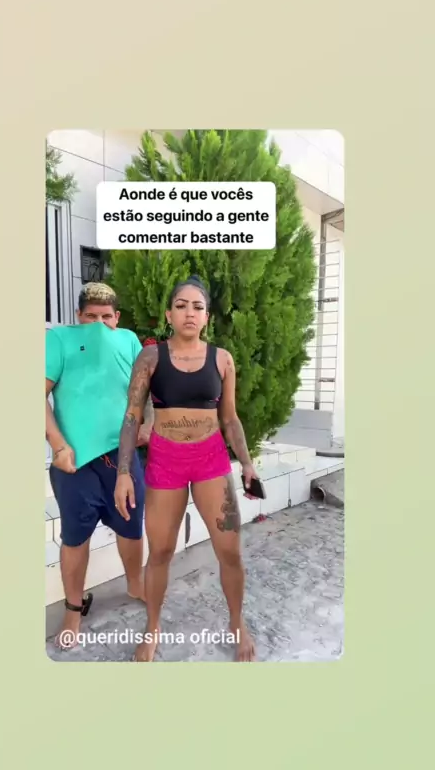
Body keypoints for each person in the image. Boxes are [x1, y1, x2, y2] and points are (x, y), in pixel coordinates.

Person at [114, 276, 258, 662]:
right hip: (166, 462)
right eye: (181, 306)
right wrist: (124, 471)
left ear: (207, 317)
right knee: (160, 551)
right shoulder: (151, 358)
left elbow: (230, 419)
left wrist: (247, 464)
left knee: (230, 552)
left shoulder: (222, 359)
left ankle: (237, 622)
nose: (189, 313)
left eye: (197, 307)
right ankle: (152, 626)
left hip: (211, 461)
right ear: (169, 314)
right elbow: (131, 417)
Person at [46, 282, 152, 647]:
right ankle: (73, 610)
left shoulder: (129, 341)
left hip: (122, 457)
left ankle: (135, 584)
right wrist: (58, 445)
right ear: (78, 316)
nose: (98, 324)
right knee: (75, 537)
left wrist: (149, 424)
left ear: (117, 317)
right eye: (90, 316)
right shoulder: (58, 340)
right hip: (76, 462)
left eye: (106, 317)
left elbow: (145, 391)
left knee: (131, 527)